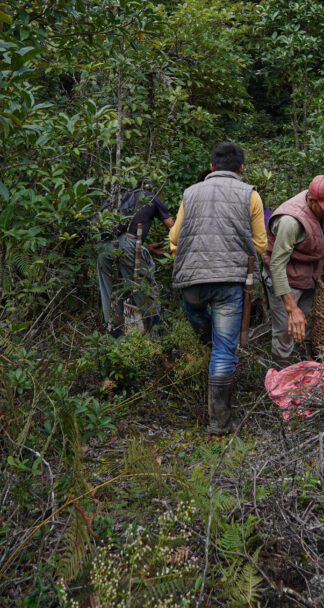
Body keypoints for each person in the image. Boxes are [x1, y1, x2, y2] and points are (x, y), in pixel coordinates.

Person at [169, 141, 267, 435]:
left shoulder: (190, 192)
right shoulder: (250, 195)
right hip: (229, 283)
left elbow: (175, 235)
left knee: (199, 319)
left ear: (211, 167)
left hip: (192, 279)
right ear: (241, 169)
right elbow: (260, 244)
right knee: (225, 349)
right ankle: (219, 423)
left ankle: (209, 348)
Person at [262, 175, 324, 368]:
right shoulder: (290, 222)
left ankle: (308, 368)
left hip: (309, 277)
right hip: (285, 279)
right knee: (286, 330)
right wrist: (291, 308)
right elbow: (277, 266)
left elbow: (316, 234)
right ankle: (281, 378)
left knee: (308, 324)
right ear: (311, 201)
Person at [96, 181, 174, 335]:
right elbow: (174, 229)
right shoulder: (152, 197)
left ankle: (114, 334)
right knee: (146, 293)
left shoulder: (122, 198)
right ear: (153, 187)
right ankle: (157, 337)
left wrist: (146, 248)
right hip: (129, 245)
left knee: (110, 294)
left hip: (104, 248)